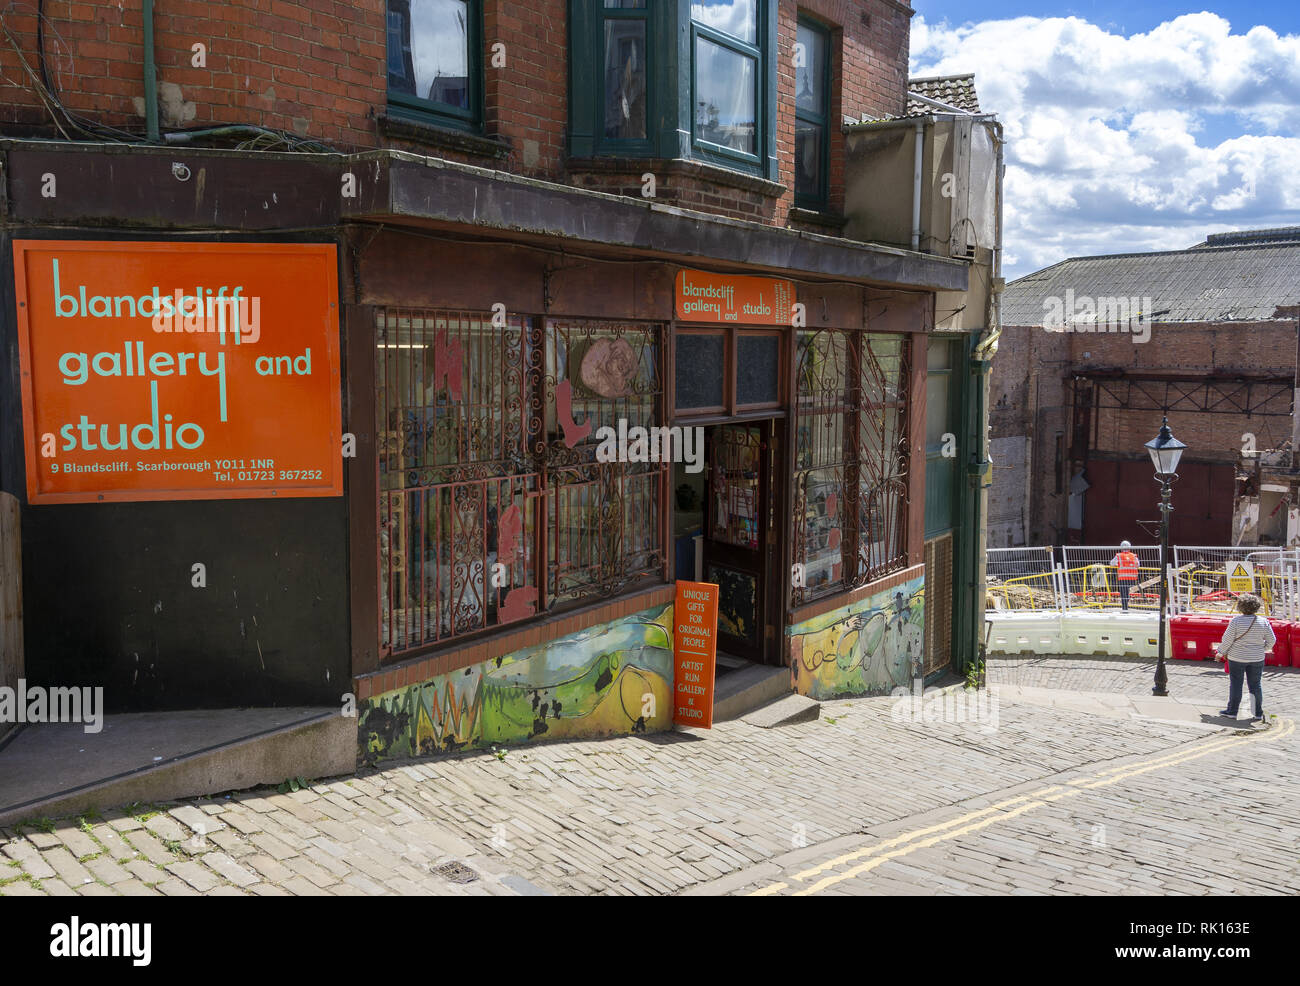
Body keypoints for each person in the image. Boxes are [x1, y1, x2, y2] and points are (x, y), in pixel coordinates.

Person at [1218, 594, 1273, 723]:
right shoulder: (1263, 621)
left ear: (1240, 607)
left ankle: (1232, 711)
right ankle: (1258, 713)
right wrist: (1262, 649)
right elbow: (1272, 640)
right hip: (1257, 658)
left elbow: (1227, 640)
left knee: (1236, 684)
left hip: (1237, 657)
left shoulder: (1236, 621)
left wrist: (1220, 652)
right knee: (1255, 685)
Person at [1109, 540, 1140, 612]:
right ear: (1130, 547)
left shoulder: (1119, 556)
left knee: (1123, 593)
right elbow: (1138, 565)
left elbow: (1112, 563)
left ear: (1121, 547)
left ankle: (1125, 609)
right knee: (1128, 592)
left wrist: (1117, 565)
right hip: (1132, 578)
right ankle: (1126, 606)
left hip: (1123, 578)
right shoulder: (1133, 556)